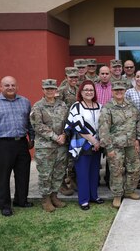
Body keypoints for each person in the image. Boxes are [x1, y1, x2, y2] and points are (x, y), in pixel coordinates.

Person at [0, 76, 35, 216]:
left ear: (17, 87)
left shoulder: (25, 102)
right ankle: (4, 205)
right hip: (1, 144)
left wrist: (31, 138)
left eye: (13, 85)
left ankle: (21, 200)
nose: (10, 88)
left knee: (23, 173)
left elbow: (30, 123)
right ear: (1, 87)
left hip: (21, 142)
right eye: (7, 85)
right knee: (3, 176)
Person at [99, 81, 140, 208]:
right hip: (115, 146)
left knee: (135, 168)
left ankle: (129, 191)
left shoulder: (131, 105)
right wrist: (108, 147)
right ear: (112, 92)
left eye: (121, 90)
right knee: (116, 171)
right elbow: (103, 129)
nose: (119, 92)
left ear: (125, 91)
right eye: (116, 90)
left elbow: (139, 121)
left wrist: (138, 139)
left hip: (131, 144)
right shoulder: (107, 108)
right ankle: (117, 195)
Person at [65, 80, 104, 210]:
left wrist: (98, 142)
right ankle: (84, 200)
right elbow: (78, 127)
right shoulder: (76, 106)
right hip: (82, 145)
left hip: (97, 145)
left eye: (91, 90)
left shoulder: (99, 106)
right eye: (86, 90)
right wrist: (93, 141)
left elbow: (104, 125)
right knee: (82, 173)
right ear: (81, 92)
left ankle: (94, 196)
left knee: (94, 172)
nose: (89, 92)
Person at [30, 79, 68, 212]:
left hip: (61, 145)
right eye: (47, 89)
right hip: (45, 146)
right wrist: (55, 137)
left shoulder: (62, 105)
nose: (50, 91)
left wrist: (64, 134)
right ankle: (45, 199)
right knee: (46, 174)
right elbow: (37, 126)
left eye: (52, 88)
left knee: (59, 172)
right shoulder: (38, 107)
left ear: (56, 90)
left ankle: (54, 196)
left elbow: (68, 122)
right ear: (43, 90)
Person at [57, 67, 80, 195]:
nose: (73, 79)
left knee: (73, 156)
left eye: (75, 77)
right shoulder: (61, 91)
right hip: (63, 127)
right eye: (71, 77)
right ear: (66, 77)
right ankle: (61, 184)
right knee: (62, 158)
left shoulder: (77, 89)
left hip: (74, 128)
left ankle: (72, 179)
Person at [95, 65, 113, 187]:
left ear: (110, 74)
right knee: (95, 153)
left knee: (110, 154)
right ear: (99, 75)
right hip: (95, 125)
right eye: (102, 73)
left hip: (111, 126)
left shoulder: (115, 88)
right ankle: (95, 179)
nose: (105, 75)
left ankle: (109, 179)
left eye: (107, 73)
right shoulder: (94, 88)